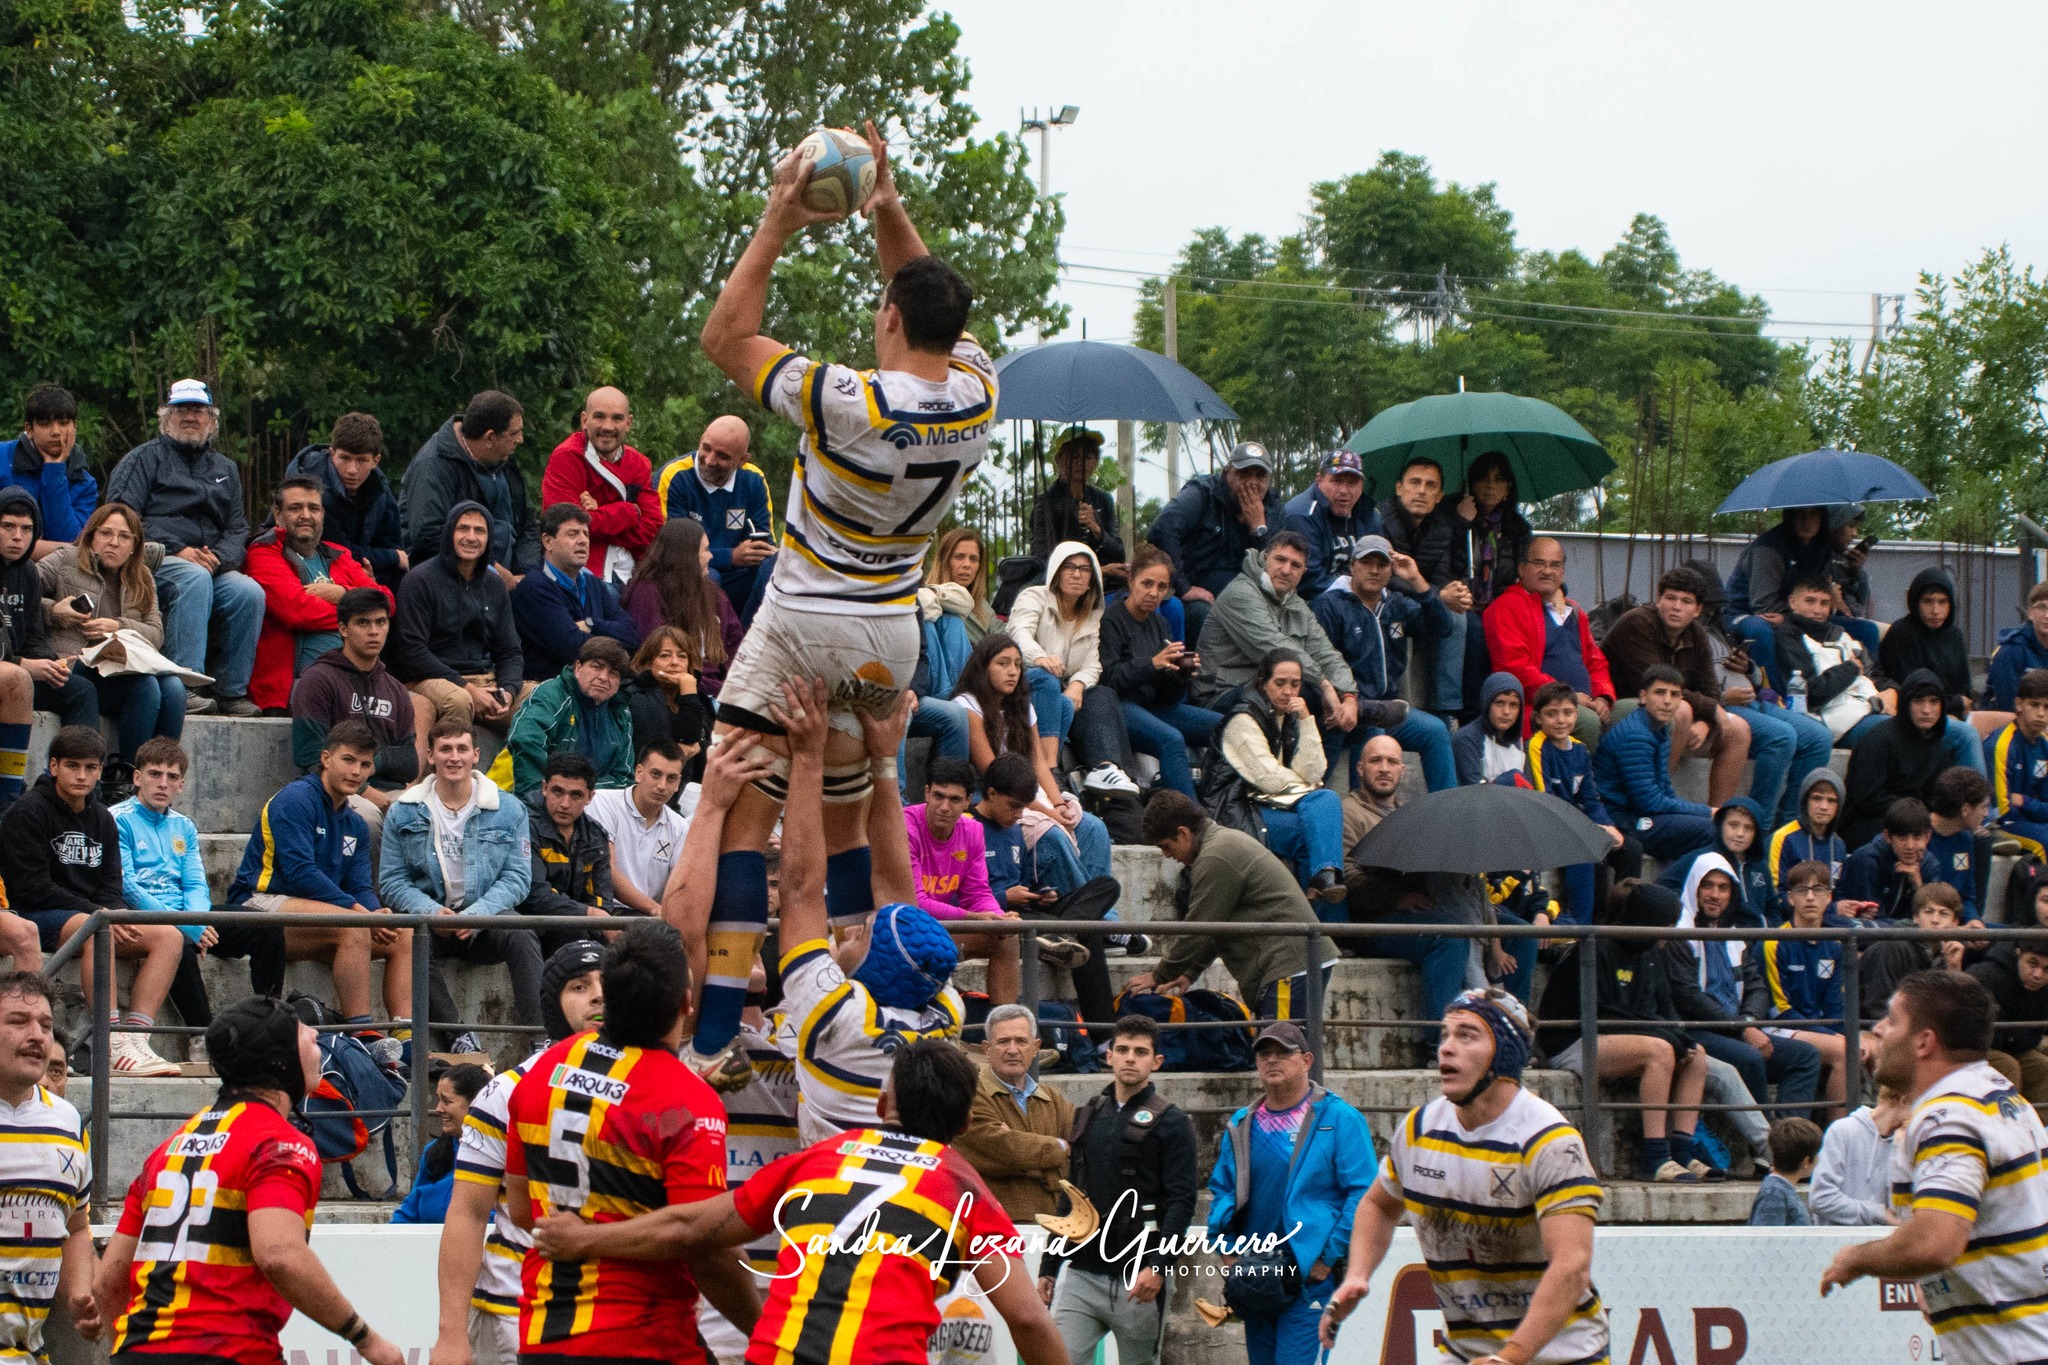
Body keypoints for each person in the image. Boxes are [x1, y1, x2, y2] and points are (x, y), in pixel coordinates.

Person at [689, 124, 993, 1081]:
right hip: (894, 633)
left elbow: (725, 337)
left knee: (745, 806)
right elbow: (927, 290)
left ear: (890, 320)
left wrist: (781, 216)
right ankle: (854, 991)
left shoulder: (845, 399)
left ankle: (726, 1028)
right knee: (854, 813)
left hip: (804, 620)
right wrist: (887, 207)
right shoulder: (983, 397)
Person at [529, 1036, 1068, 1365]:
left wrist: (585, 1237)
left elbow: (691, 1228)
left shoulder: (820, 1158)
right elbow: (1026, 1320)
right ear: (967, 1123)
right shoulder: (964, 1188)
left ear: (883, 1105)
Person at [683, 679, 967, 1139]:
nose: (852, 930)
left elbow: (798, 889)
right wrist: (881, 761)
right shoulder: (934, 1003)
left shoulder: (847, 1015)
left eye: (863, 936)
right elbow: (896, 887)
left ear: (871, 971)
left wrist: (809, 758)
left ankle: (710, 1044)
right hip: (899, 1168)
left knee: (745, 840)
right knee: (849, 846)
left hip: (827, 1182)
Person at [95, 997, 406, 1365]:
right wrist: (365, 1339)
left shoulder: (167, 1150)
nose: (318, 1042)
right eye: (308, 1036)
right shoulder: (280, 1142)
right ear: (281, 1059)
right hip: (231, 1353)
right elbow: (279, 1254)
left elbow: (107, 1283)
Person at [501, 922, 756, 1365]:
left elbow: (523, 1211)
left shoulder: (544, 1070)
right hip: (643, 1340)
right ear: (687, 1004)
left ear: (608, 1001)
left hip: (543, 1338)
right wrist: (768, 1331)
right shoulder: (687, 1100)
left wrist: (586, 1234)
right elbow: (703, 1245)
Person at [1320, 989, 1604, 1365]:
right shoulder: (1418, 1130)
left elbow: (1572, 1267)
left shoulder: (1549, 1140)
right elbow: (1378, 1204)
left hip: (1559, 1355)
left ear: (1503, 1056)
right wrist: (1358, 1273)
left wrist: (1511, 1357)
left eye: (1466, 1035)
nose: (1446, 1048)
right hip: (1469, 1353)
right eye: (1445, 1035)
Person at [1819, 970, 2048, 1365]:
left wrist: (1855, 1259)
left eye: (1892, 1020)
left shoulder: (1948, 1118)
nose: (1879, 1029)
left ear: (1924, 1042)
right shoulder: (2001, 1096)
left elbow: (1934, 1244)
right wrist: (1942, 1285)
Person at [429, 941, 605, 1365]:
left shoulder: (653, 1082)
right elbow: (468, 1214)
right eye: (579, 987)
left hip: (619, 1313)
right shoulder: (507, 1089)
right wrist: (451, 1333)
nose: (599, 995)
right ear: (551, 1006)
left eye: (608, 983)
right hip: (516, 1312)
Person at [0, 725, 183, 1074]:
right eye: (72, 766)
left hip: (91, 915)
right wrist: (99, 914)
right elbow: (31, 887)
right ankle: (107, 1039)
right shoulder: (28, 811)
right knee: (96, 929)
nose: (81, 776)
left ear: (100, 771)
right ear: (53, 766)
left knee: (169, 936)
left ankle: (134, 1038)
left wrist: (111, 911)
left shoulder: (102, 818)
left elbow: (111, 884)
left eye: (90, 767)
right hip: (40, 913)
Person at [226, 719, 414, 1036]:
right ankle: (364, 1035)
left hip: (318, 918)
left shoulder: (355, 823)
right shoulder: (296, 799)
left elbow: (359, 886)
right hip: (259, 904)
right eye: (348, 760)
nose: (356, 771)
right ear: (326, 758)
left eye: (365, 764)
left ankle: (405, 1037)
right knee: (355, 927)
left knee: (404, 933)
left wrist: (373, 910)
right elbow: (301, 873)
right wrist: (360, 914)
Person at [1207, 1021, 1376, 1365]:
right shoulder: (1242, 1122)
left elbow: (1364, 1194)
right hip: (1255, 1277)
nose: (1272, 1060)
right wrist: (1225, 1248)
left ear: (1307, 1060)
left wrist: (1327, 1257)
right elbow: (1222, 1189)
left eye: (1283, 1053)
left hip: (1307, 1281)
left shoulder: (1339, 1118)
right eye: (1264, 1054)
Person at [1038, 1014, 1196, 1365]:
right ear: (1108, 1056)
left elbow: (1182, 1203)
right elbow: (1070, 1196)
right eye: (1122, 1049)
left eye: (1140, 1052)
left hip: (1139, 1279)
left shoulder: (1173, 1122)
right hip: (1081, 1272)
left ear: (1156, 1062)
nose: (1129, 1058)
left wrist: (1159, 1267)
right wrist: (1049, 1266)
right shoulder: (1089, 1114)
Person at [105, 378, 262, 715]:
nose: (190, 417)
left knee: (248, 592)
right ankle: (183, 686)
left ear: (212, 420)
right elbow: (120, 516)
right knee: (193, 578)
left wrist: (220, 557)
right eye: (182, 410)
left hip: (210, 563)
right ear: (166, 417)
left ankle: (231, 692)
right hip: (152, 558)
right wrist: (176, 548)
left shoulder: (226, 469)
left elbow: (238, 527)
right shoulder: (142, 460)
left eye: (198, 410)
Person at [1536, 880, 1712, 1180]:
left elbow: (1662, 1008)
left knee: (1697, 1055)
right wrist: (1663, 1035)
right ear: (1644, 922)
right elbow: (1602, 1015)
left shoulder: (1652, 955)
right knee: (1659, 1050)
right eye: (1663, 925)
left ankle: (1682, 1148)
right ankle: (1655, 1156)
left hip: (1627, 1038)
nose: (1667, 934)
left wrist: (1676, 1034)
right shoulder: (1594, 949)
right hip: (1574, 1041)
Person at [381, 719, 539, 1048]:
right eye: (446, 749)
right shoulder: (403, 811)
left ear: (476, 755)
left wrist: (477, 915)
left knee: (522, 932)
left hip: (485, 919)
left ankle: (541, 1038)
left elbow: (517, 878)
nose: (454, 757)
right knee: (411, 940)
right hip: (430, 920)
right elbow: (393, 880)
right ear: (430, 756)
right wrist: (431, 912)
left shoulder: (510, 810)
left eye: (462, 749)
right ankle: (459, 1037)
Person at [1131, 791, 1337, 1022]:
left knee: (1283, 1054)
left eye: (1166, 847)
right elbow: (1215, 925)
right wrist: (1189, 972)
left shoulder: (1215, 857)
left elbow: (1198, 928)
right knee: (1279, 1051)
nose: (1168, 856)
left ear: (1183, 833)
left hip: (1289, 966)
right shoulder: (1219, 844)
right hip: (1293, 964)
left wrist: (1160, 975)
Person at [113, 736, 285, 1007]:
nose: (162, 783)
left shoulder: (185, 826)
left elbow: (195, 884)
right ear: (137, 778)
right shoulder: (117, 819)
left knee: (266, 925)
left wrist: (199, 922)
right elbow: (129, 888)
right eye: (154, 774)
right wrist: (187, 926)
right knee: (177, 940)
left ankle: (272, 1015)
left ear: (181, 785)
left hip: (189, 916)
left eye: (172, 777)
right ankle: (200, 1036)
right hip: (145, 917)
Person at [1666, 851, 1824, 1137]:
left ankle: (1789, 1138)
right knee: (1749, 1056)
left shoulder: (1735, 936)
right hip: (1698, 1030)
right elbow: (1688, 998)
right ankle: (1769, 1146)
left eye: (1723, 887)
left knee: (1805, 1056)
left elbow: (1757, 987)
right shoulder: (1680, 935)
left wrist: (1748, 1020)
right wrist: (1742, 1029)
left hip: (1738, 1026)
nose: (1715, 894)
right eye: (1708, 886)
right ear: (1695, 888)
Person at [38, 501, 185, 787]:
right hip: (73, 662)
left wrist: (118, 626)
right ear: (92, 536)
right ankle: (128, 782)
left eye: (124, 537)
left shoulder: (141, 577)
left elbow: (156, 633)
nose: (113, 542)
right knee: (145, 688)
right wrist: (54, 611)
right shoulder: (65, 560)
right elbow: (23, 594)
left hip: (118, 667)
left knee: (175, 689)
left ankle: (160, 780)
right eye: (106, 533)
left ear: (134, 545)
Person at [968, 754, 1118, 1027]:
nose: (1018, 815)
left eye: (1023, 808)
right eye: (1013, 806)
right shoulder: (968, 825)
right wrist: (1004, 898)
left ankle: (1059, 931)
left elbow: (1024, 877)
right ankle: (1104, 1036)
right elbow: (962, 894)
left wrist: (1040, 895)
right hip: (996, 917)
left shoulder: (1014, 829)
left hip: (1027, 910)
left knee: (1107, 887)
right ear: (991, 794)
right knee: (1090, 933)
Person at [1602, 568, 1771, 810]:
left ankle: (1719, 817)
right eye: (1670, 598)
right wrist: (1711, 709)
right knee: (1679, 709)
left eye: (1686, 601)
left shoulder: (1696, 633)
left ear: (1698, 609)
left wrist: (1706, 722)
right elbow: (1657, 686)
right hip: (1626, 707)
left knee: (1739, 729)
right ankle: (1658, 802)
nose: (1676, 607)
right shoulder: (1637, 622)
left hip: (1671, 711)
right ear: (1659, 599)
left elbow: (1710, 689)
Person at [0, 973, 98, 1364]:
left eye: (45, 1023)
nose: (38, 1034)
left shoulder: (68, 1122)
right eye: (18, 1021)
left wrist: (81, 1293)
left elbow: (75, 1228)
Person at [952, 632, 1114, 868]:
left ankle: (1097, 904)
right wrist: (1049, 813)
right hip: (996, 795)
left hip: (1031, 793)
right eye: (1003, 663)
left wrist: (1058, 804)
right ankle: (1081, 903)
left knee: (1095, 828)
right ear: (983, 668)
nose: (1013, 671)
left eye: (1018, 665)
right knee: (1054, 834)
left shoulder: (1022, 706)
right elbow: (992, 772)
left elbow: (1038, 763)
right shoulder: (967, 705)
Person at [1310, 533, 1456, 791]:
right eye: (1367, 563)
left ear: (1391, 569)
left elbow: (1442, 627)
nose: (1374, 570)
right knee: (1375, 739)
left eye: (1382, 564)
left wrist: (1416, 580)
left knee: (1435, 731)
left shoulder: (1396, 604)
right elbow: (1319, 663)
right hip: (1349, 710)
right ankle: (1367, 820)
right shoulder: (1329, 604)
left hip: (1388, 709)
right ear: (1353, 565)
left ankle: (1446, 810)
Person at [291, 586, 428, 845]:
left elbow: (409, 761)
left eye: (381, 622)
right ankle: (369, 888)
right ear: (343, 629)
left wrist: (372, 762)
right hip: (332, 790)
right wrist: (366, 790)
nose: (374, 631)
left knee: (425, 816)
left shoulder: (395, 689)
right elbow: (310, 757)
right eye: (362, 623)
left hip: (391, 789)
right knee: (366, 819)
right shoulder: (317, 680)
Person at [245, 475, 392, 713]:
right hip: (292, 687)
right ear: (278, 514)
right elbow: (296, 611)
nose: (306, 515)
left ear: (322, 513)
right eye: (295, 508)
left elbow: (386, 601)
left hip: (356, 679)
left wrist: (342, 593)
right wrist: (359, 610)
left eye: (313, 508)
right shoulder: (264, 552)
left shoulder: (338, 555)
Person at [1212, 648, 1348, 905]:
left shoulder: (1290, 717)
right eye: (1280, 683)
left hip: (1270, 805)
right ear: (1263, 683)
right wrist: (1311, 787)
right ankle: (1319, 921)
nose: (1288, 692)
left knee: (1322, 813)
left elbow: (1314, 770)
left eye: (1295, 685)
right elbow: (1270, 779)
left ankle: (1321, 889)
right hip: (1236, 810)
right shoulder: (1242, 719)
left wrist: (1307, 720)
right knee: (1320, 808)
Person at [1196, 534, 1360, 739]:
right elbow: (1276, 651)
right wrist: (1325, 685)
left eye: (1295, 565)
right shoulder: (1241, 593)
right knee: (1306, 693)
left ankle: (1320, 767)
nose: (1286, 570)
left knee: (1335, 713)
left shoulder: (1296, 604)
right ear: (1265, 558)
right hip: (1222, 693)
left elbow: (1326, 653)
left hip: (1273, 685)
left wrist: (1348, 696)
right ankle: (1369, 711)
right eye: (1280, 560)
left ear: (1303, 572)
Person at [391, 502, 531, 732]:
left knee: (541, 699)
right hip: (433, 680)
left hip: (487, 679)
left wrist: (507, 690)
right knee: (458, 701)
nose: (471, 537)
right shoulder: (419, 580)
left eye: (480, 530)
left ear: (489, 538)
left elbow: (510, 651)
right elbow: (412, 651)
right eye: (463, 529)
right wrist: (466, 687)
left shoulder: (495, 584)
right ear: (449, 533)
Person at [1098, 545, 1217, 798]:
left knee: (1224, 726)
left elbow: (1167, 696)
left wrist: (1178, 675)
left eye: (1161, 587)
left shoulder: (1160, 623)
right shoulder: (1111, 619)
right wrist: (1153, 663)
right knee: (1171, 739)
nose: (1154, 593)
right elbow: (1109, 678)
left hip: (1154, 706)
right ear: (1131, 581)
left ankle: (1220, 799)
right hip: (1122, 707)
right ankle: (1192, 819)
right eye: (1147, 584)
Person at [905, 756, 1023, 1001]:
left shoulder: (972, 831)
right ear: (926, 793)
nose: (945, 807)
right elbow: (916, 902)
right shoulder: (904, 826)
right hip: (902, 929)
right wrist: (976, 918)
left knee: (1007, 937)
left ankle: (1004, 1030)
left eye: (955, 799)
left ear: (968, 801)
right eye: (938, 796)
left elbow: (978, 893)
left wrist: (998, 918)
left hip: (941, 928)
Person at [0, 490, 100, 776]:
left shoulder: (28, 573)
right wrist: (25, 665)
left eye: (26, 529)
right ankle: (9, 788)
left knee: (80, 690)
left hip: (21, 669)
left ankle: (70, 783)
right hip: (11, 671)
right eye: (8, 526)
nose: (18, 536)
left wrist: (50, 661)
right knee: (17, 678)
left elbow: (33, 634)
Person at [1482, 537, 1613, 748]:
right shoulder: (1506, 607)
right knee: (1587, 722)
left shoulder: (1575, 611)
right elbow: (1514, 667)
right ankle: (1585, 780)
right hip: (1540, 706)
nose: (1547, 571)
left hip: (1584, 702)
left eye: (1555, 565)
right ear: (1522, 568)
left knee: (1630, 715)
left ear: (1562, 572)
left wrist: (1603, 697)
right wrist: (1567, 697)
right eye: (1539, 563)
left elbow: (1596, 662)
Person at [1747, 860, 1854, 1115]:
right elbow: (1780, 1010)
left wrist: (1839, 1032)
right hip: (1778, 1027)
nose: (1809, 897)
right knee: (1844, 1051)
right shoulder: (1773, 942)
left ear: (1829, 897)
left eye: (1817, 890)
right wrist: (1833, 1037)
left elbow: (1834, 1004)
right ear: (1790, 898)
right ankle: (1839, 1141)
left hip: (1815, 1028)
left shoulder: (1835, 944)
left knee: (1870, 1047)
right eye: (1801, 891)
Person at [1146, 440, 1281, 641]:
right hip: (1198, 593)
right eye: (1244, 474)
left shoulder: (1274, 508)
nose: (1253, 483)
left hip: (1247, 597)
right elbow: (1163, 528)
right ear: (1228, 473)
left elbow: (1276, 568)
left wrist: (1259, 529)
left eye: (1260, 476)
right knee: (1205, 615)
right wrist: (1183, 586)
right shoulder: (1202, 492)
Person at [1526, 680, 1636, 924]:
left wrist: (1608, 826)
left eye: (1567, 712)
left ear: (1577, 714)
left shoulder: (1580, 750)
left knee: (1630, 848)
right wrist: (1587, 828)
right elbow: (1546, 801)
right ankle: (1581, 923)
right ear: (1538, 719)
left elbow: (1590, 798)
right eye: (1551, 714)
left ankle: (1621, 922)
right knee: (1585, 847)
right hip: (1546, 823)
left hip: (1574, 822)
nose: (1561, 720)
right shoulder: (1537, 746)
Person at [1376, 456, 1476, 722]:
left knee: (1459, 616)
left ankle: (1446, 708)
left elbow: (1443, 575)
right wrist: (1436, 593)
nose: (1421, 490)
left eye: (1430, 485)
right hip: (1386, 599)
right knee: (1401, 614)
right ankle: (1401, 709)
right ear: (1399, 487)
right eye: (1415, 482)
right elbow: (1385, 576)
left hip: (1422, 596)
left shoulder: (1442, 528)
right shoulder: (1381, 519)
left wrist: (1456, 592)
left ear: (1440, 495)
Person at [402, 389, 540, 579]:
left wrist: (526, 572)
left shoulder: (503, 457)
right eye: (514, 433)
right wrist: (490, 570)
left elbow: (528, 524)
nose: (520, 439)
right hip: (450, 582)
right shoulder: (433, 464)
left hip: (511, 581)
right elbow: (428, 535)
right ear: (490, 438)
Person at [955, 1002, 1076, 1219]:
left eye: (1021, 1041)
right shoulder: (970, 1095)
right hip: (997, 1223)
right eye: (1003, 1042)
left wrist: (1019, 1155)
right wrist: (1060, 1147)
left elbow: (1080, 1148)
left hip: (1055, 1222)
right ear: (987, 1049)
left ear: (1036, 1047)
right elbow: (1003, 1149)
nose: (1013, 1050)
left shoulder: (1053, 1098)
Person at [1007, 539, 1119, 774]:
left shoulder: (1091, 616)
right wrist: (1039, 657)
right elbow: (1019, 634)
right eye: (1069, 567)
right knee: (1047, 680)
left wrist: (1078, 684)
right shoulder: (1034, 596)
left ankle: (1058, 772)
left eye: (1084, 569)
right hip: (1023, 679)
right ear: (1056, 573)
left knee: (1067, 703)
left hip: (1058, 690)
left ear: (1093, 579)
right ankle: (1050, 769)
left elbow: (1093, 664)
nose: (1077, 574)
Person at [1844, 668, 1988, 848]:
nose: (1927, 710)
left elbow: (1936, 795)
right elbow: (1867, 798)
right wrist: (1915, 813)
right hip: (1870, 822)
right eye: (1919, 702)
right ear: (1905, 704)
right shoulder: (1880, 740)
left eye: (1934, 702)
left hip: (1918, 819)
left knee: (1970, 837)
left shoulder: (1938, 744)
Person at [655, 415, 777, 619]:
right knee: (709, 579)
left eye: (723, 456)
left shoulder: (754, 480)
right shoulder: (674, 476)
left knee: (773, 569)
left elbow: (764, 542)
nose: (710, 460)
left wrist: (762, 552)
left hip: (737, 574)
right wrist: (731, 556)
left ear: (742, 460)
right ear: (701, 438)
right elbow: (673, 552)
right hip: (688, 572)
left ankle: (747, 637)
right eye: (706, 448)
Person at [1589, 667, 1717, 860]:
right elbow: (1650, 802)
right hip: (1621, 821)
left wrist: (1703, 813)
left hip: (1639, 814)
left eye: (1675, 695)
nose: (1667, 701)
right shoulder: (1636, 735)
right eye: (1659, 692)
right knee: (1711, 829)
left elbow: (1665, 790)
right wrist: (1708, 811)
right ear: (1643, 697)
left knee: (1714, 827)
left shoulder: (1658, 729)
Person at [541, 387, 662, 586]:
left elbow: (652, 530)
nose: (608, 426)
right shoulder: (566, 457)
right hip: (584, 570)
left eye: (617, 418)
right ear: (584, 420)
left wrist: (597, 516)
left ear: (629, 423)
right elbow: (565, 527)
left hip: (635, 569)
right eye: (599, 417)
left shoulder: (639, 464)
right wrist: (628, 512)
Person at [512, 503, 641, 681]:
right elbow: (572, 648)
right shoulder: (535, 587)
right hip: (552, 688)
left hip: (597, 684)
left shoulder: (593, 584)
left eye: (585, 534)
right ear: (548, 542)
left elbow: (632, 635)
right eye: (572, 534)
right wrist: (615, 642)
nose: (583, 540)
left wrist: (591, 623)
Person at [283, 411, 407, 592]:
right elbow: (336, 550)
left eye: (362, 461)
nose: (352, 470)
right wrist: (392, 557)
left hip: (362, 571)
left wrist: (376, 575)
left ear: (375, 460)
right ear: (332, 453)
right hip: (308, 571)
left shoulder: (379, 488)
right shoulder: (313, 490)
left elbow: (394, 544)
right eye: (345, 458)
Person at [619, 518, 739, 696]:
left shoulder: (714, 593)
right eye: (705, 550)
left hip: (717, 687)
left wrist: (731, 684)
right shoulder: (647, 592)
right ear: (686, 555)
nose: (711, 556)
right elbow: (656, 651)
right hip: (673, 691)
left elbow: (735, 643)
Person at [1773, 572, 1896, 744]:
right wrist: (1851, 668)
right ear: (1792, 602)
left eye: (1824, 603)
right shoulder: (1788, 637)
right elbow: (1811, 694)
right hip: (1832, 721)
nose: (1817, 610)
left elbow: (1873, 673)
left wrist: (1892, 690)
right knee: (1894, 733)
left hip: (1870, 707)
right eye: (1810, 601)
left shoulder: (1840, 634)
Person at [516, 752, 620, 953]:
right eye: (557, 792)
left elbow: (601, 899)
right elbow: (535, 896)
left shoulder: (595, 835)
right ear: (544, 788)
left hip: (580, 925)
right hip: (535, 924)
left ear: (590, 796)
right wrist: (588, 914)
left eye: (575, 795)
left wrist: (594, 917)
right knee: (575, 936)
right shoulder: (524, 825)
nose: (565, 804)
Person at [506, 636, 636, 796]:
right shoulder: (552, 693)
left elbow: (624, 777)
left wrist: (580, 793)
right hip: (537, 795)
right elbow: (525, 740)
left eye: (613, 673)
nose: (603, 677)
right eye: (596, 667)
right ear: (578, 667)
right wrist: (539, 799)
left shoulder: (621, 713)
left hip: (595, 803)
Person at [1884, 566, 2002, 736]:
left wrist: (1955, 707)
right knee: (1965, 735)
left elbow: (1964, 690)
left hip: (1954, 715)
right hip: (1915, 717)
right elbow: (1909, 692)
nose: (1936, 610)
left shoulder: (1954, 635)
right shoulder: (1900, 634)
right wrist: (1953, 704)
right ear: (1916, 602)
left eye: (1942, 602)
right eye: (1928, 601)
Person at [1723, 506, 1834, 681]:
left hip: (1799, 612)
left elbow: (1822, 593)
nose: (1807, 521)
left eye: (1814, 514)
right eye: (1800, 514)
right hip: (1742, 613)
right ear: (1789, 516)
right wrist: (1794, 618)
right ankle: (1772, 694)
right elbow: (1763, 606)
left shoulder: (1822, 547)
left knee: (1865, 629)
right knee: (1760, 629)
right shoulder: (1767, 549)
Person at [588, 740, 689, 915]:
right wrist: (654, 909)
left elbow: (679, 887)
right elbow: (606, 869)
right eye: (656, 774)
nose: (662, 786)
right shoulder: (603, 803)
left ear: (679, 782)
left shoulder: (680, 827)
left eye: (671, 778)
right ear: (639, 773)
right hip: (604, 910)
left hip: (650, 918)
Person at [0, 383, 96, 554]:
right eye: (45, 424)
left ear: (75, 427)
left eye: (64, 423)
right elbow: (71, 551)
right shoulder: (3, 458)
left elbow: (67, 539)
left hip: (56, 571)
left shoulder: (84, 483)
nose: (56, 432)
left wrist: (54, 470)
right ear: (29, 429)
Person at [391, 1062, 491, 1225]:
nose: (438, 1108)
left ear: (475, 1104)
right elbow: (409, 1212)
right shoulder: (434, 1153)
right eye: (439, 1099)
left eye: (447, 1101)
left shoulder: (502, 1157)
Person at [1284, 449, 1379, 596]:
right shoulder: (1302, 515)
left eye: (1352, 483)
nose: (1344, 490)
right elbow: (1310, 580)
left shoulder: (1369, 514)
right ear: (1319, 480)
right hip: (1312, 600)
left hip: (1359, 595)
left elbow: (1380, 566)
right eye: (1337, 481)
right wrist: (1358, 595)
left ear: (1361, 486)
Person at [620, 627, 714, 773]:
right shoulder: (636, 696)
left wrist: (699, 748)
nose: (675, 662)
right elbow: (682, 740)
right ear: (649, 662)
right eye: (665, 656)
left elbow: (707, 745)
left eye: (682, 656)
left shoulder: (698, 698)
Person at [1810, 1085, 1906, 1226]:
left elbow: (1901, 1214)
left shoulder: (1905, 1141)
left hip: (1883, 1244)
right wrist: (1879, 1213)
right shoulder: (1842, 1131)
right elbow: (1821, 1199)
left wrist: (1901, 1150)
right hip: (1837, 1243)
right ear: (1904, 1101)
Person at [1030, 425, 1125, 566]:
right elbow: (1043, 557)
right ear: (1058, 460)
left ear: (1096, 461)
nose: (1080, 463)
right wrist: (1095, 573)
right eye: (1074, 456)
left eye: (1087, 457)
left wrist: (1096, 528)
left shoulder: (1103, 499)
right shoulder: (1046, 502)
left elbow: (1118, 553)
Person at [1968, 935, 2048, 1103]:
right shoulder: (1990, 976)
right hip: (1967, 1045)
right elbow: (1987, 1035)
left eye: (2047, 969)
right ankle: (2005, 1124)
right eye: (2032, 963)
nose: (2038, 975)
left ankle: (2038, 1126)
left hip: (2010, 1044)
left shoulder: (2043, 986)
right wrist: (2036, 1040)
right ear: (2018, 953)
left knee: (2042, 1067)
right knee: (2007, 1066)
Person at [1839, 798, 1943, 920]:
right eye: (1902, 837)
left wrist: (1918, 887)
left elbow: (1933, 919)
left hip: (1906, 933)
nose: (1910, 846)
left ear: (1928, 837)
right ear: (1887, 836)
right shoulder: (1867, 860)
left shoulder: (1929, 864)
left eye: (1917, 837)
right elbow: (1871, 917)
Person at [1988, 667, 2048, 854]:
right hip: (2004, 826)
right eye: (2034, 705)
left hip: (2033, 819)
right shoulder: (2002, 745)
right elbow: (2002, 811)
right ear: (2019, 704)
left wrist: (2025, 801)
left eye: (2047, 707)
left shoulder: (2045, 744)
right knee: (2045, 842)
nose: (2041, 713)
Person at [1768, 767, 1849, 902]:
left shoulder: (1838, 844)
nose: (1824, 806)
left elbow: (1838, 892)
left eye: (1831, 800)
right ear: (1805, 802)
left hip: (1828, 919)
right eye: (1817, 798)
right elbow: (1776, 895)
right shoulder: (1783, 838)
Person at [1925, 766, 1995, 921]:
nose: (1986, 814)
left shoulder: (1966, 839)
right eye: (1984, 807)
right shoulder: (1918, 837)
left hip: (1958, 927)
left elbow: (1966, 896)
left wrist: (1973, 922)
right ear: (1966, 809)